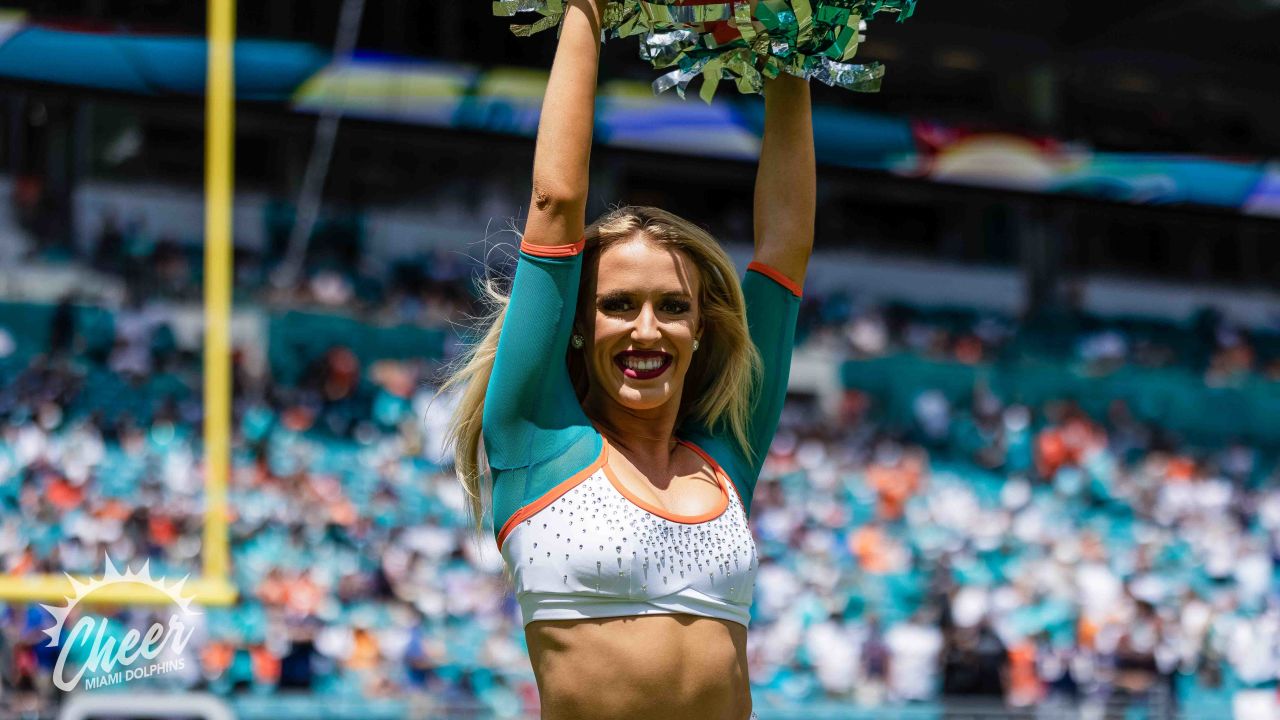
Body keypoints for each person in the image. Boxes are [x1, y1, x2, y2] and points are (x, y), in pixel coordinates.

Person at [439, 0, 813, 714]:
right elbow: (555, 201)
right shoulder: (536, 441)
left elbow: (786, 248)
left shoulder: (726, 455)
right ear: (576, 327)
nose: (648, 330)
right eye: (618, 306)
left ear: (703, 328)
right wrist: (586, 11)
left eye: (673, 307)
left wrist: (794, 47)